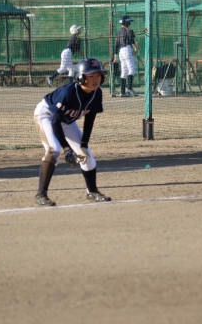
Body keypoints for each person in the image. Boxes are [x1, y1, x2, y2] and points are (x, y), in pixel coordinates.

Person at [34, 58, 111, 206]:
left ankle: (92, 191)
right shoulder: (69, 93)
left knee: (87, 155)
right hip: (47, 115)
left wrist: (84, 144)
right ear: (81, 77)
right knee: (54, 149)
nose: (96, 79)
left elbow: (90, 119)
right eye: (91, 75)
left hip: (66, 120)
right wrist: (67, 148)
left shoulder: (97, 93)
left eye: (98, 75)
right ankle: (41, 194)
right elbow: (55, 121)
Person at [113, 15, 138, 97]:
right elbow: (131, 40)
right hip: (127, 49)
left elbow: (116, 45)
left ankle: (122, 92)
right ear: (127, 22)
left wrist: (115, 57)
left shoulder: (119, 32)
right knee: (132, 69)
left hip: (121, 52)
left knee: (124, 71)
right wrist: (136, 48)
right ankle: (129, 88)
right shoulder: (129, 30)